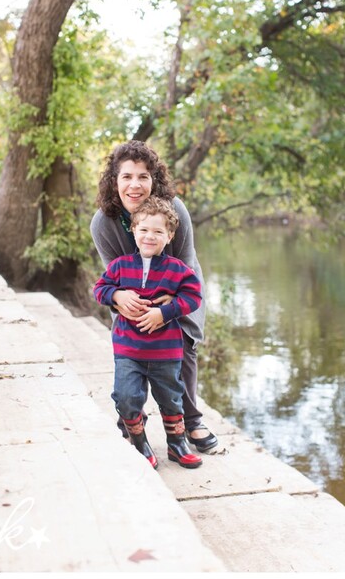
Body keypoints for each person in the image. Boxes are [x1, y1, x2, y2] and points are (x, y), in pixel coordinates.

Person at [91, 140, 219, 454]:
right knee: (129, 348)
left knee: (182, 342)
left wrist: (166, 310)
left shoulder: (174, 210)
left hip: (176, 289)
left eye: (143, 177)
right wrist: (120, 297)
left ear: (154, 181)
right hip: (130, 292)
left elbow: (186, 265)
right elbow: (111, 276)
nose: (135, 185)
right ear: (114, 181)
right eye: (127, 177)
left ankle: (191, 419)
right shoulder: (103, 223)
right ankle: (131, 418)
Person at [94, 196, 204, 469]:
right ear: (133, 231)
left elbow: (193, 297)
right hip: (128, 350)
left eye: (158, 231)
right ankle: (140, 443)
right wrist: (116, 294)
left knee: (171, 399)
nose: (150, 236)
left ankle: (177, 445)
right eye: (143, 230)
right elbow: (99, 290)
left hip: (165, 351)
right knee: (126, 397)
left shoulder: (178, 270)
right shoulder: (120, 266)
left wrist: (165, 313)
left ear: (170, 235)